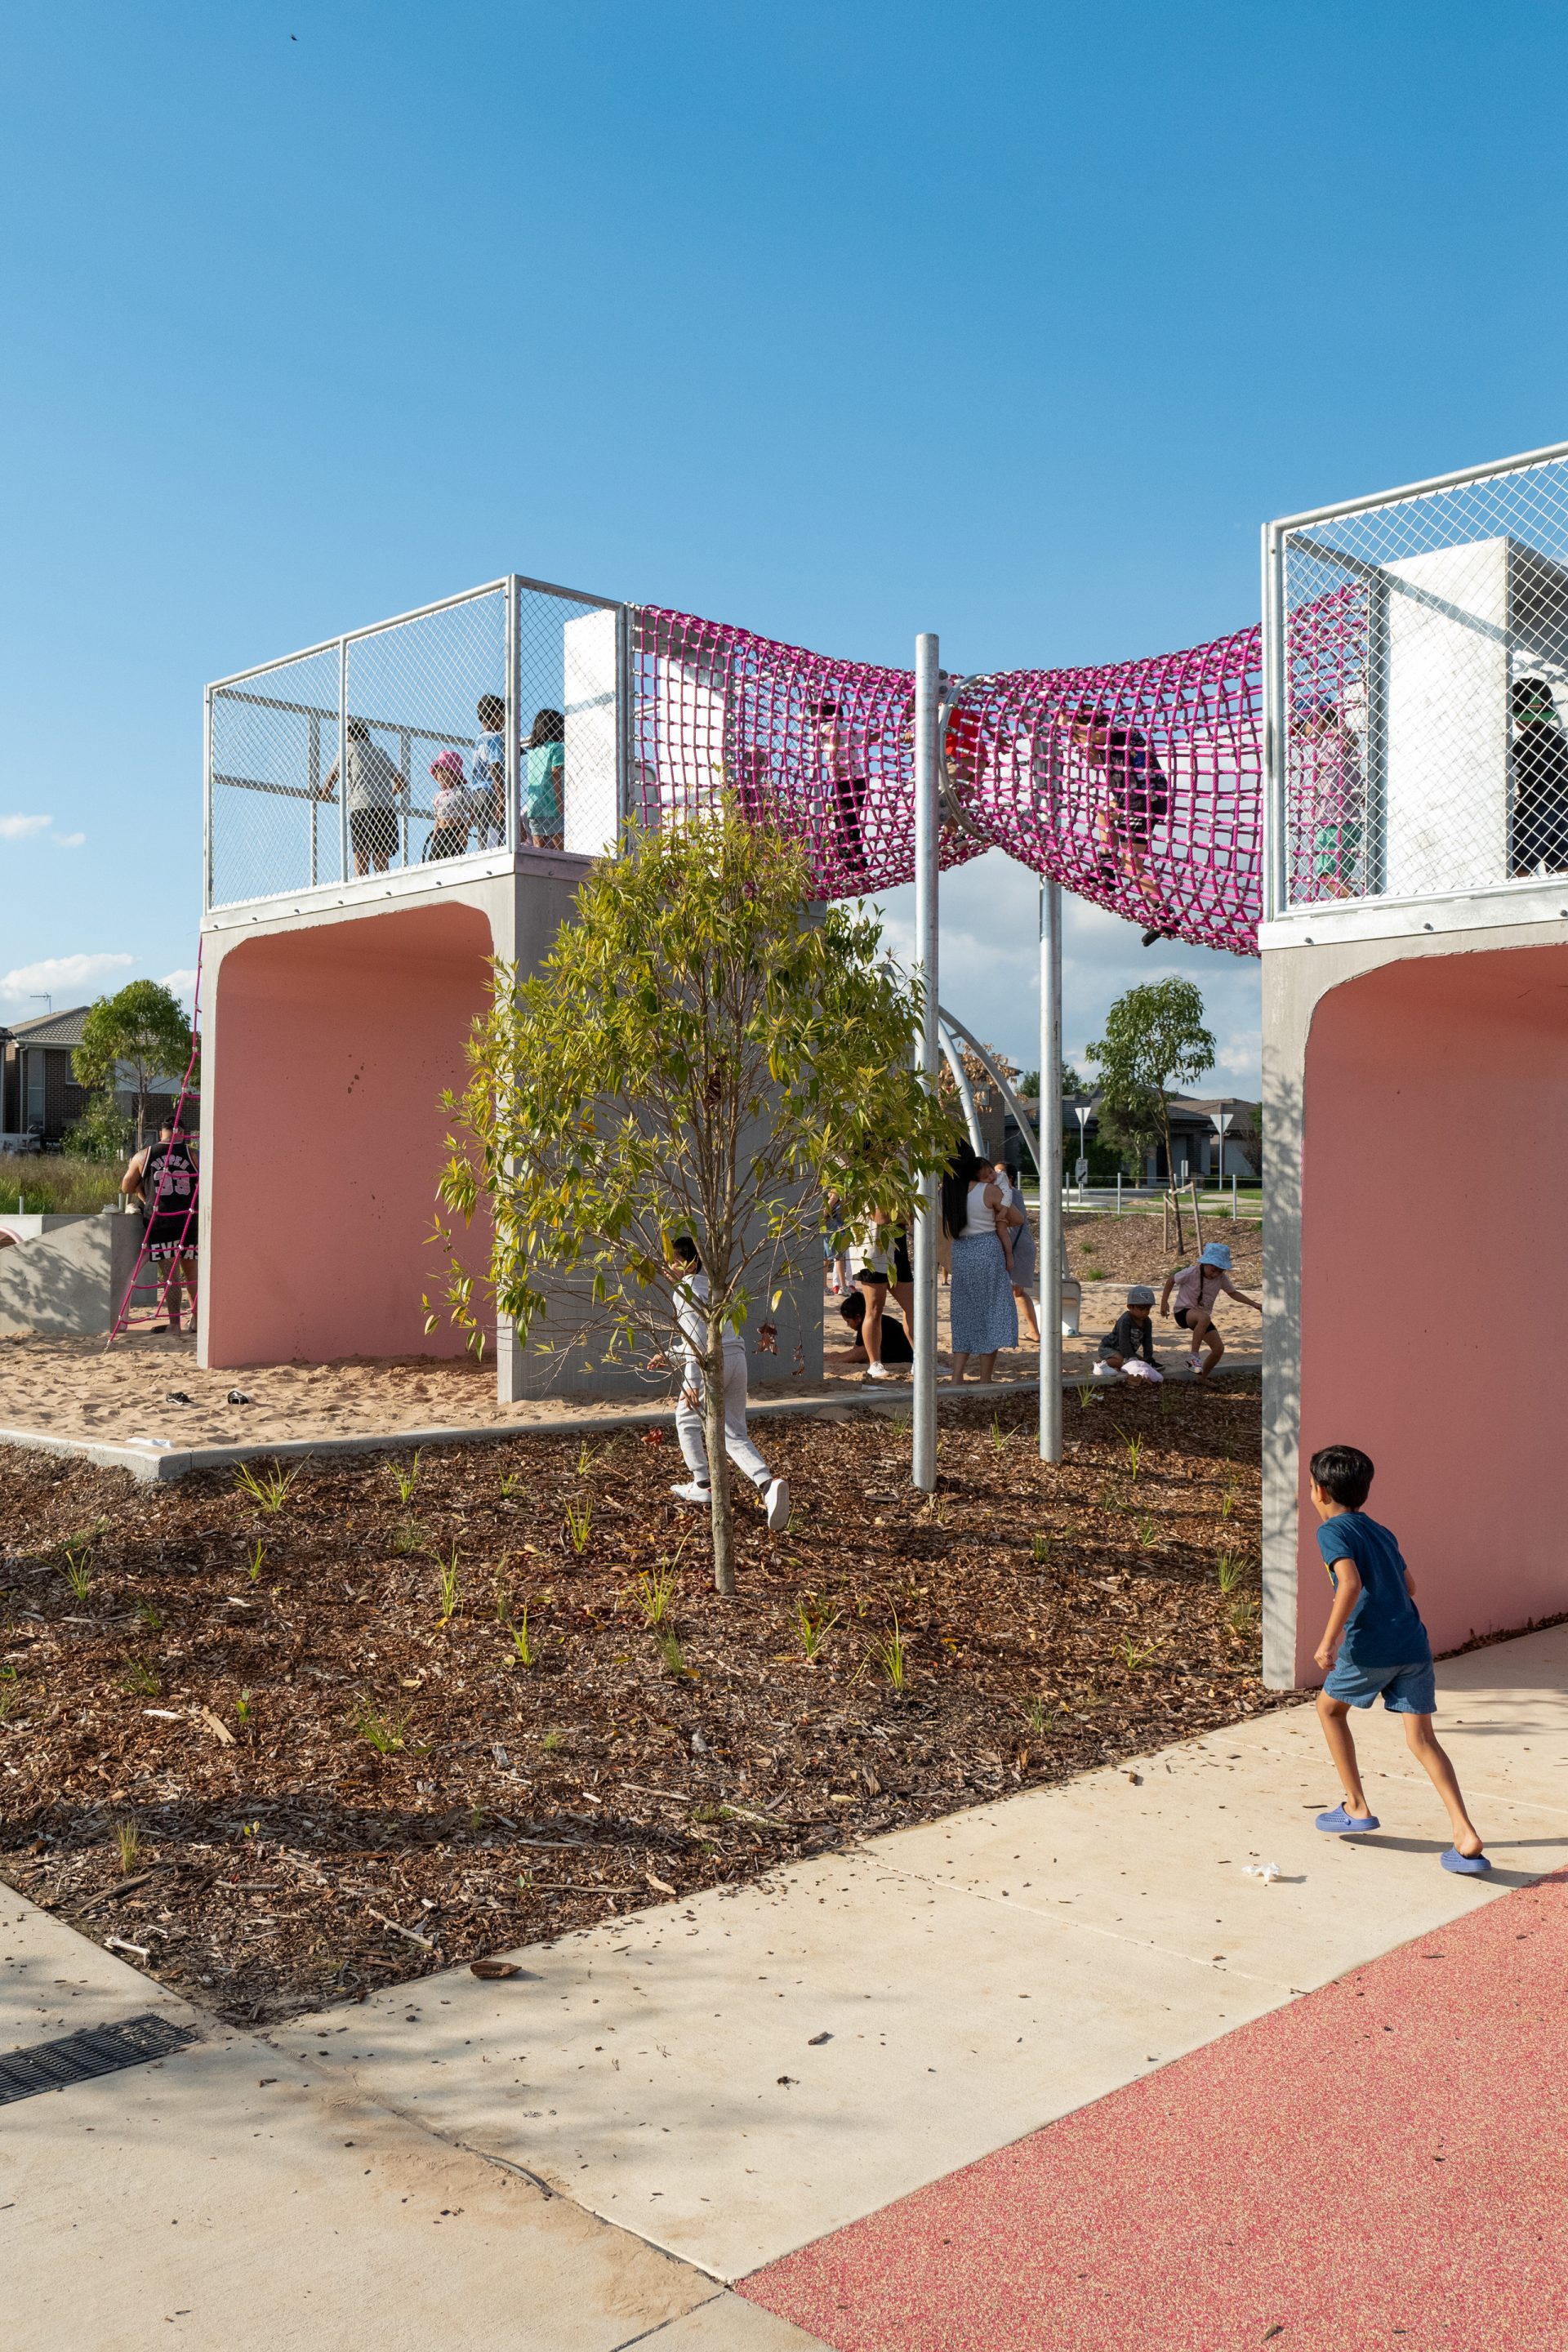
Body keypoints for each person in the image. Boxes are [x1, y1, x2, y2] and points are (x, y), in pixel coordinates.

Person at [1307, 1443, 1487, 1873]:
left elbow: (1348, 1583)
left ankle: (1355, 1805)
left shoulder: (1332, 1531)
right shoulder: (1380, 1530)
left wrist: (1328, 1642)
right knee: (1423, 1740)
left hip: (1371, 1647)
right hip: (1413, 1645)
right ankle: (1465, 1834)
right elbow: (1409, 1586)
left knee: (1329, 1710)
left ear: (1320, 1491)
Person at [657, 1236, 791, 1532]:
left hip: (711, 1364)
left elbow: (695, 1338)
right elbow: (711, 1333)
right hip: (736, 1359)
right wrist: (668, 1353)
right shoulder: (712, 1286)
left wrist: (692, 1379)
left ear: (685, 1263)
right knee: (733, 1431)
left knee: (686, 1418)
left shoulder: (685, 1289)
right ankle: (768, 1484)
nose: (668, 1265)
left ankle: (703, 1483)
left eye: (673, 1259)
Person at [1067, 703, 1171, 946]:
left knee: (1132, 865)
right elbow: (1095, 756)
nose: (1077, 745)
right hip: (1138, 798)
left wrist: (1066, 721)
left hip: (1143, 800)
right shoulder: (1111, 744)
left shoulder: (1114, 730)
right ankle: (1107, 870)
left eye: (1076, 737)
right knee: (1104, 812)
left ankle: (1164, 917)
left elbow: (1096, 736)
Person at [942, 1143, 1019, 1383]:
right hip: (987, 1249)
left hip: (961, 1252)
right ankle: (985, 1377)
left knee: (964, 1312)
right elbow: (1018, 1218)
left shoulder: (945, 1193)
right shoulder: (988, 1190)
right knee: (992, 1311)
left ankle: (957, 1376)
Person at [122, 1116, 199, 1334]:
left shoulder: (144, 1155)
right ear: (183, 1132)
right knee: (192, 1274)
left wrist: (142, 1192)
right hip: (188, 1220)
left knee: (170, 1276)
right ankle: (196, 1320)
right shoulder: (193, 1154)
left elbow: (126, 1187)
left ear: (161, 1131)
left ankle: (174, 1324)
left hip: (160, 1220)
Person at [1290, 698, 1365, 900]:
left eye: (1304, 726)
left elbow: (1349, 738)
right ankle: (1356, 903)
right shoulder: (1325, 745)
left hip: (1338, 820)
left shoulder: (1331, 741)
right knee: (1333, 877)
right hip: (1339, 819)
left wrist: (1340, 730)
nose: (1303, 735)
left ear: (1319, 721)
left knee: (1328, 876)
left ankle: (1357, 907)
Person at [1160, 1240, 1260, 1379]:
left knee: (1219, 1349)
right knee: (1204, 1318)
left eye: (1220, 1271)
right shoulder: (1191, 1272)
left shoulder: (1221, 1278)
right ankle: (1193, 1357)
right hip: (1183, 1312)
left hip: (1202, 1318)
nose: (1216, 1274)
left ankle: (1202, 1378)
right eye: (1213, 1270)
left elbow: (1233, 1293)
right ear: (1205, 1264)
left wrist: (1254, 1304)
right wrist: (1164, 1303)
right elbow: (1171, 1281)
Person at [321, 719, 404, 877]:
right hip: (385, 809)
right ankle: (383, 891)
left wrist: (325, 794)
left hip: (361, 807)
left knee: (361, 857)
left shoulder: (348, 750)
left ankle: (362, 890)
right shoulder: (380, 752)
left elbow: (333, 776)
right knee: (381, 861)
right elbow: (401, 782)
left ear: (350, 737)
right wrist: (389, 794)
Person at [1509, 676, 1568, 878]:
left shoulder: (1521, 744)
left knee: (1519, 865)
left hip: (1535, 809)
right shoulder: (1560, 739)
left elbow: (1512, 775)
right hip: (1563, 809)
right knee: (1560, 866)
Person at [814, 698, 871, 885]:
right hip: (858, 781)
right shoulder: (850, 727)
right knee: (852, 826)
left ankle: (855, 872)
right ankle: (859, 870)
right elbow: (870, 737)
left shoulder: (826, 726)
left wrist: (833, 760)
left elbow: (834, 734)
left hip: (844, 781)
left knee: (843, 828)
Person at [996, 1160, 1040, 1343]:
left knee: (1015, 1291)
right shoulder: (1014, 1194)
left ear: (1010, 1178)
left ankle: (1031, 1332)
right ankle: (1032, 1332)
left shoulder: (1008, 1194)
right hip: (1019, 1247)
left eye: (999, 1174)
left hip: (1017, 1249)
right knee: (1016, 1292)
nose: (994, 1176)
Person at [1094, 1285, 1161, 1380]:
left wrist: (1148, 1357)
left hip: (1124, 1350)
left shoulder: (1147, 1321)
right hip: (1109, 1348)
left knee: (1142, 1363)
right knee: (1122, 1361)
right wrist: (1130, 1357)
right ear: (1130, 1307)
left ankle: (1123, 1361)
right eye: (1141, 1309)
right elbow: (1123, 1341)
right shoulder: (1125, 1320)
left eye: (1148, 1309)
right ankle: (1100, 1364)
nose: (1145, 1312)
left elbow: (1147, 1340)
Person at [834, 1287, 914, 1366]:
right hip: (895, 1353)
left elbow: (858, 1352)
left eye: (848, 1321)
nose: (848, 1325)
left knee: (865, 1351)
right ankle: (834, 1358)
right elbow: (856, 1349)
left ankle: (833, 1360)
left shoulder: (869, 1324)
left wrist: (839, 1358)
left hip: (902, 1356)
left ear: (858, 1317)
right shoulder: (865, 1323)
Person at [471, 696, 510, 849]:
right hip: (491, 792)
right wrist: (501, 798)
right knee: (495, 830)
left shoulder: (480, 738)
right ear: (495, 715)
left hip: (477, 792)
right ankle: (493, 857)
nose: (505, 720)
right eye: (503, 715)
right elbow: (494, 768)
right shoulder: (494, 738)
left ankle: (486, 854)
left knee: (484, 831)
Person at [525, 708, 567, 849]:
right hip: (552, 805)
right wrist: (560, 802)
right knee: (561, 848)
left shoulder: (533, 752)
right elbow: (556, 775)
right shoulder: (557, 748)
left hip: (534, 806)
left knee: (539, 848)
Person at [425, 750, 472, 859]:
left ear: (455, 773)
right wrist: (436, 832)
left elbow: (473, 812)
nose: (441, 775)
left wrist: (465, 831)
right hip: (441, 832)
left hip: (456, 830)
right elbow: (438, 816)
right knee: (433, 860)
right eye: (439, 771)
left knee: (453, 859)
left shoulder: (462, 791)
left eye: (445, 771)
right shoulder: (438, 796)